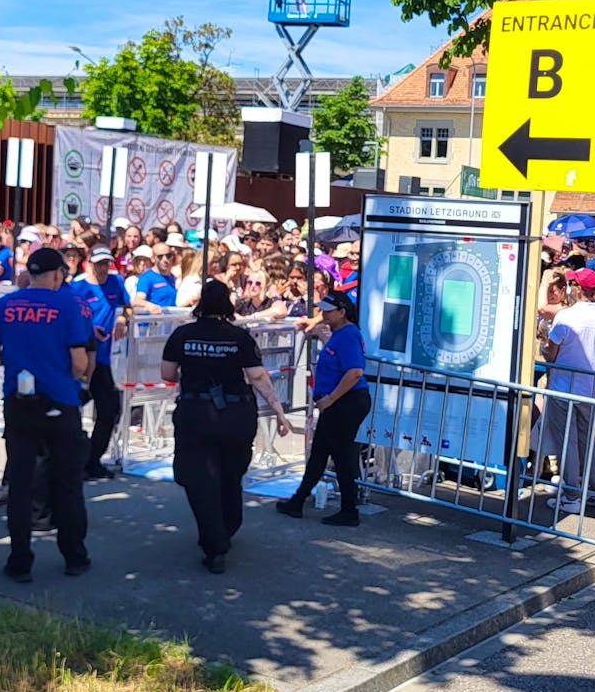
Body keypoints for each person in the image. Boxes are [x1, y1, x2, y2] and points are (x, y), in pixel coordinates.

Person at [161, 281, 291, 573]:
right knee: (230, 475)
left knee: (199, 479)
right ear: (228, 304)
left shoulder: (182, 334)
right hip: (236, 415)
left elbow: (167, 373)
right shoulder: (239, 336)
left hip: (196, 413)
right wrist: (279, 412)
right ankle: (227, 526)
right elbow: (258, 378)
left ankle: (215, 543)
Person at [0, 248, 92, 582]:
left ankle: (20, 561)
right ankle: (74, 556)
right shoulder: (67, 305)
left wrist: (19, 358)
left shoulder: (6, 304)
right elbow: (80, 363)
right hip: (59, 402)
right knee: (68, 482)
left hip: (19, 402)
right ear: (58, 274)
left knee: (20, 483)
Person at [276, 291, 372, 525]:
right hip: (341, 403)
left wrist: (330, 398)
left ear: (342, 312)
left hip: (345, 403)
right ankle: (298, 501)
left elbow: (355, 372)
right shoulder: (340, 334)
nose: (324, 314)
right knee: (322, 454)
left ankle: (348, 510)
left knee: (340, 456)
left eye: (329, 310)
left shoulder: (348, 335)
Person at [534, 268, 595, 514]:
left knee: (568, 440)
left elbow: (552, 352)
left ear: (577, 289)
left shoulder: (567, 316)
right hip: (588, 386)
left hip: (564, 385)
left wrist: (547, 348)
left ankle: (571, 495)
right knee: (588, 440)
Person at [71, 244, 130, 480]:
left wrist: (124, 319)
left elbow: (128, 306)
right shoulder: (78, 287)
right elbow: (70, 316)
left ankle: (91, 461)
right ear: (89, 264)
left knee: (109, 409)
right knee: (70, 408)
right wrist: (88, 330)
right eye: (99, 264)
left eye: (107, 263)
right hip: (80, 357)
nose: (104, 268)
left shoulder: (116, 283)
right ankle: (66, 459)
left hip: (102, 359)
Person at [135, 242, 178, 312]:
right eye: (160, 257)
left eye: (168, 256)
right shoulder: (146, 277)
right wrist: (149, 306)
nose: (165, 260)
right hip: (153, 320)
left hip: (171, 320)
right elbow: (137, 300)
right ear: (153, 259)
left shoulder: (172, 277)